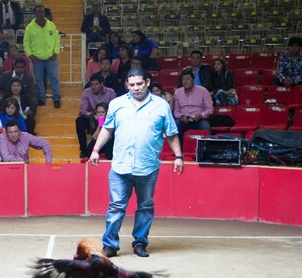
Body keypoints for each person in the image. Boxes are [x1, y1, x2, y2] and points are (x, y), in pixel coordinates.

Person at [90, 67, 184, 258]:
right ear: (127, 85)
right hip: (120, 166)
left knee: (145, 207)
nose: (135, 88)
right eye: (131, 84)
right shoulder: (116, 104)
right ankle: (110, 245)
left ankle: (140, 243)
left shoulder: (161, 105)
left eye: (139, 84)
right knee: (116, 206)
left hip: (147, 167)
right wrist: (95, 150)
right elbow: (107, 129)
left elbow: (172, 134)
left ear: (147, 82)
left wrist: (179, 157)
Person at [24, 4, 61, 108]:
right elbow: (26, 43)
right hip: (37, 59)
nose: (40, 14)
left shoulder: (51, 25)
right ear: (35, 14)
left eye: (42, 12)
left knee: (53, 78)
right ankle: (41, 98)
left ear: (44, 13)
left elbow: (56, 40)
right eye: (38, 12)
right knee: (39, 79)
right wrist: (30, 55)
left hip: (50, 57)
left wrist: (55, 52)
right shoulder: (30, 28)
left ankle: (56, 98)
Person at [76, 74, 116, 158]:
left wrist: (102, 118)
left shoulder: (111, 92)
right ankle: (83, 150)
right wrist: (94, 115)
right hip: (92, 118)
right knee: (80, 120)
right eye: (92, 84)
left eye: (96, 84)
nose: (94, 87)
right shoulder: (87, 92)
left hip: (108, 118)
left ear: (101, 84)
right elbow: (83, 110)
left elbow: (114, 110)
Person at [173, 69, 214, 146]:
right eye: (183, 79)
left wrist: (200, 115)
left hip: (199, 119)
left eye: (188, 79)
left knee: (205, 126)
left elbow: (210, 109)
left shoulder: (203, 91)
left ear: (193, 80)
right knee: (176, 124)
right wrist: (181, 116)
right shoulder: (177, 92)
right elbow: (176, 111)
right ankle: (180, 150)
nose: (185, 81)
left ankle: (205, 150)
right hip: (184, 119)